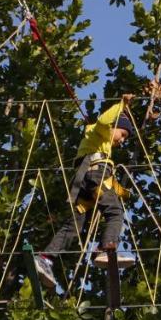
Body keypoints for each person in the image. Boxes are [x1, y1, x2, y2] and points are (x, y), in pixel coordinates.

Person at [34, 93, 138, 291]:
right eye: (123, 134)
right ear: (113, 125)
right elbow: (103, 120)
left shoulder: (101, 142)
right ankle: (106, 249)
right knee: (115, 212)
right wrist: (122, 105)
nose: (123, 140)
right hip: (94, 176)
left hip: (85, 182)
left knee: (74, 225)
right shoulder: (99, 132)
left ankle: (45, 258)